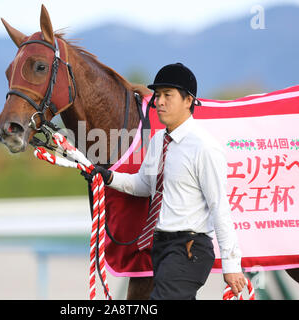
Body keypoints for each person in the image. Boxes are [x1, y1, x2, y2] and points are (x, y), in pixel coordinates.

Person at [83, 62, 245, 300]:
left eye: (168, 95)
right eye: (157, 96)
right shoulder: (158, 141)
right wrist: (108, 177)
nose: (159, 102)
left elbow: (219, 207)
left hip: (189, 249)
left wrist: (232, 265)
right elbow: (144, 186)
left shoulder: (205, 147)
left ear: (188, 100)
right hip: (160, 247)